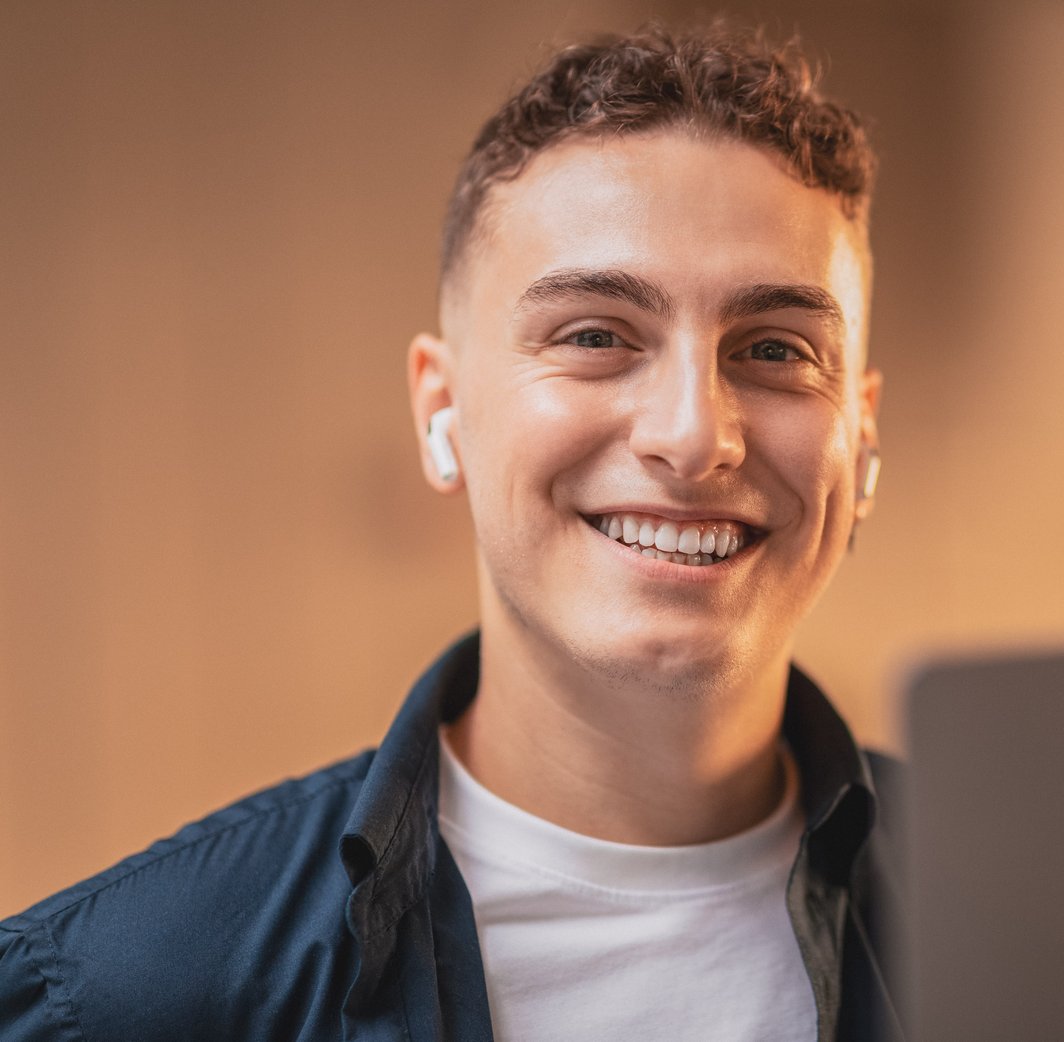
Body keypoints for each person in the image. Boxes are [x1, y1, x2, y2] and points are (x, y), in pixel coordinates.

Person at [0, 23, 903, 1042]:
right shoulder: (121, 998)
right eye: (596, 336)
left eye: (775, 348)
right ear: (443, 413)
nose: (694, 437)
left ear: (859, 435)